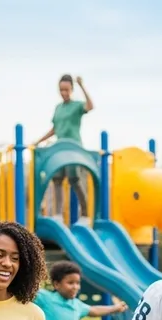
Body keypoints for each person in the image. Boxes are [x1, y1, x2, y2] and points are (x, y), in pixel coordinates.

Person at [34, 74, 94, 219]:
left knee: (75, 180)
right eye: (61, 90)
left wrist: (82, 86)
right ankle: (58, 214)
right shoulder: (58, 108)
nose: (64, 93)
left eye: (66, 90)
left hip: (73, 148)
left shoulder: (77, 106)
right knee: (57, 179)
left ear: (72, 89)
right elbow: (55, 128)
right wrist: (39, 141)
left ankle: (85, 214)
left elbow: (90, 106)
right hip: (59, 149)